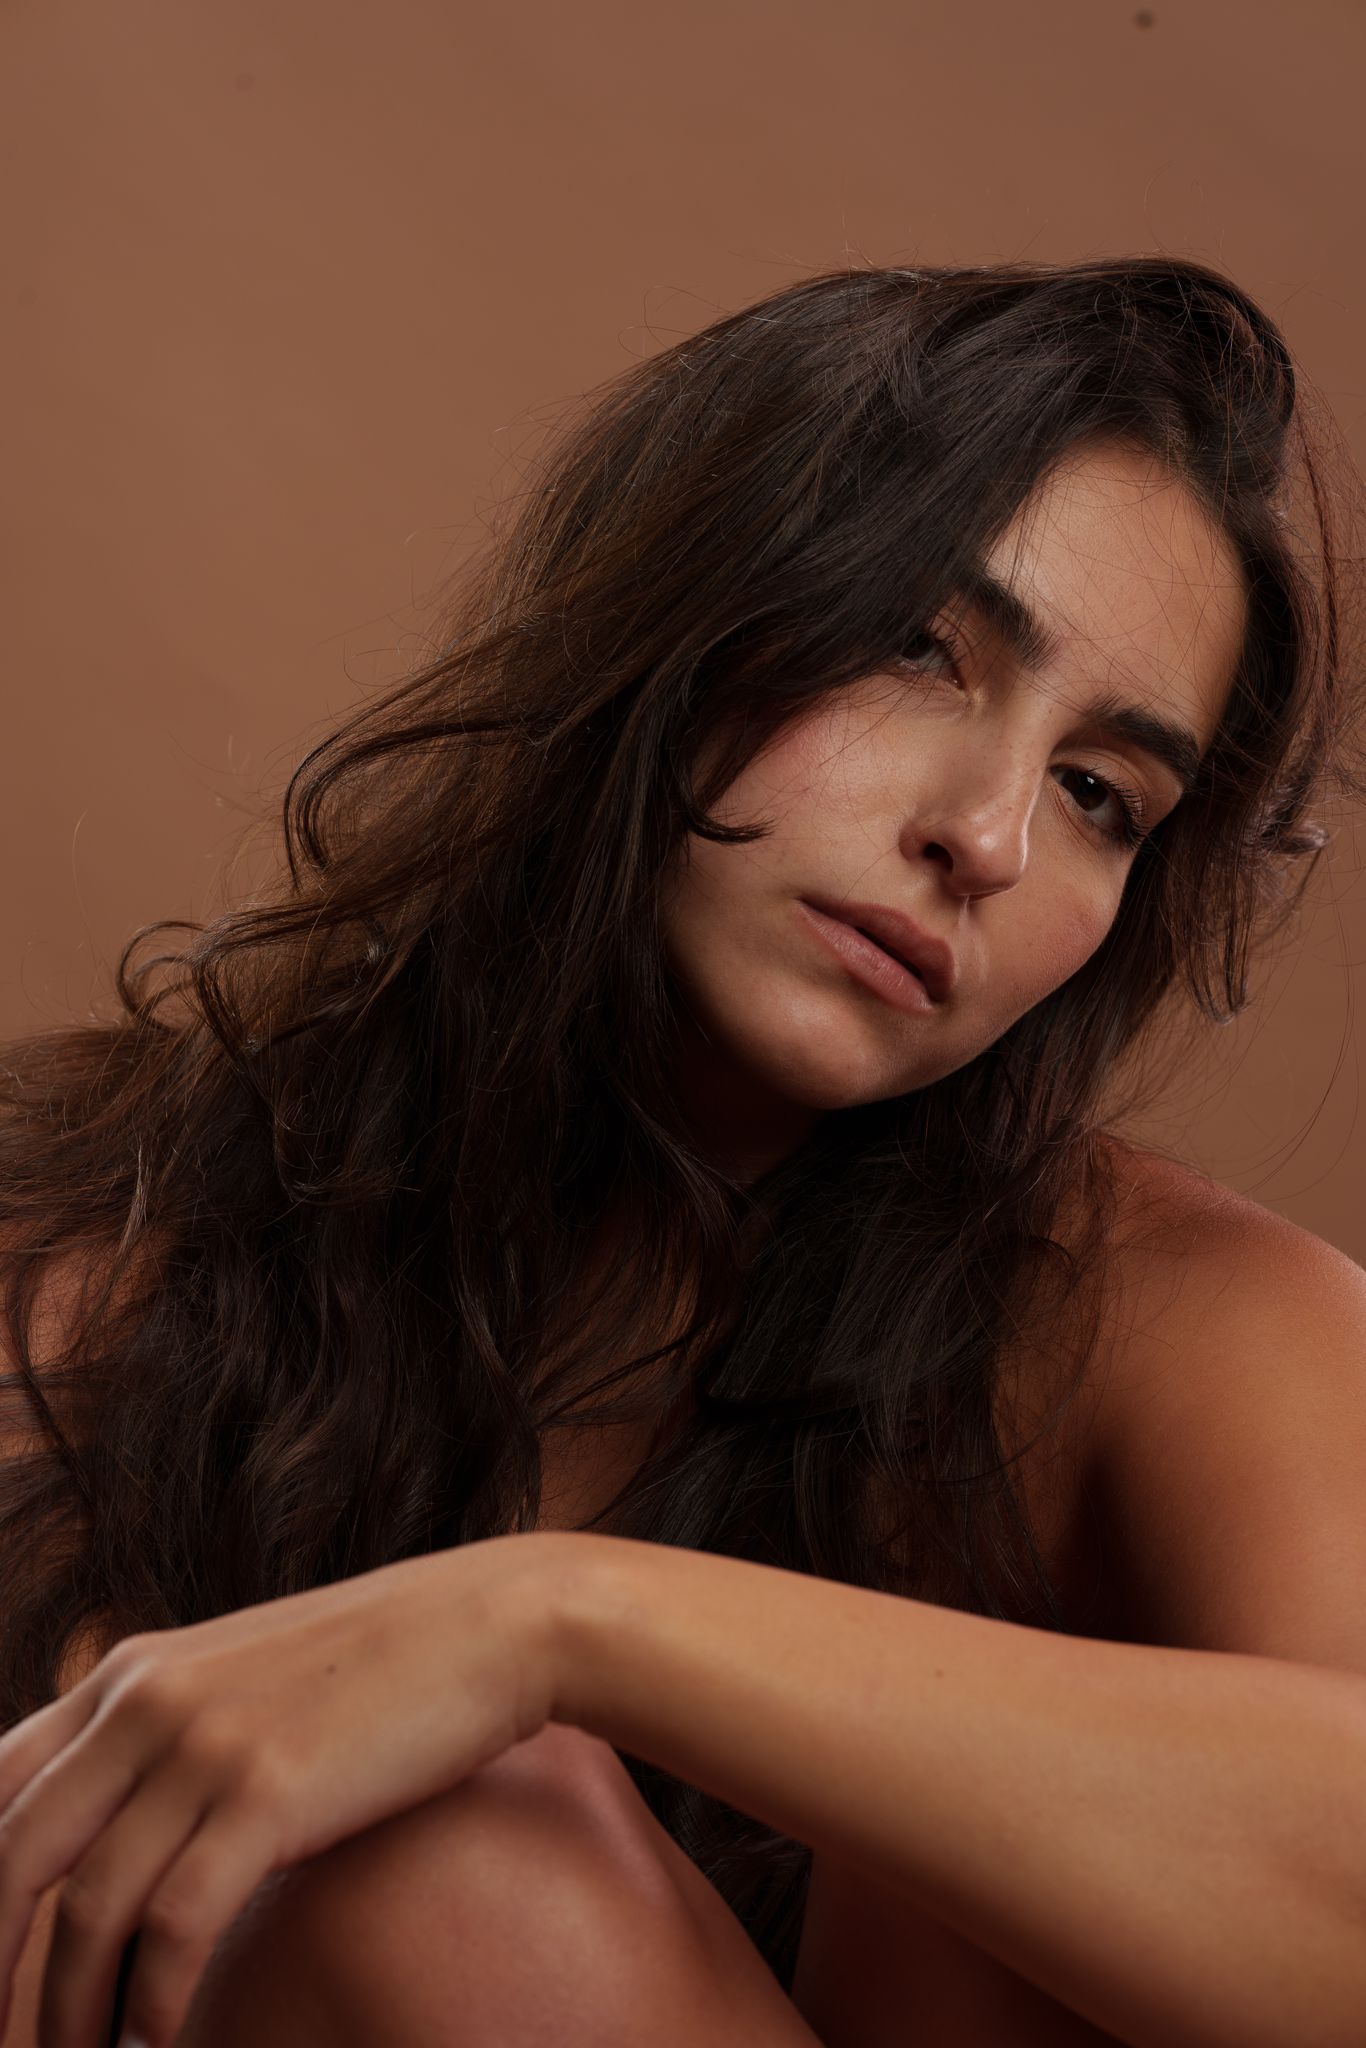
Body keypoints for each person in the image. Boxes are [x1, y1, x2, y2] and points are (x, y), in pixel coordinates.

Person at [1, 256, 1364, 2048]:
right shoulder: (99, 1250)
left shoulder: (1168, 1318)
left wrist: (554, 1626)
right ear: (681, 605)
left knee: (501, 1835)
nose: (988, 839)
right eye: (918, 648)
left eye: (1099, 795)